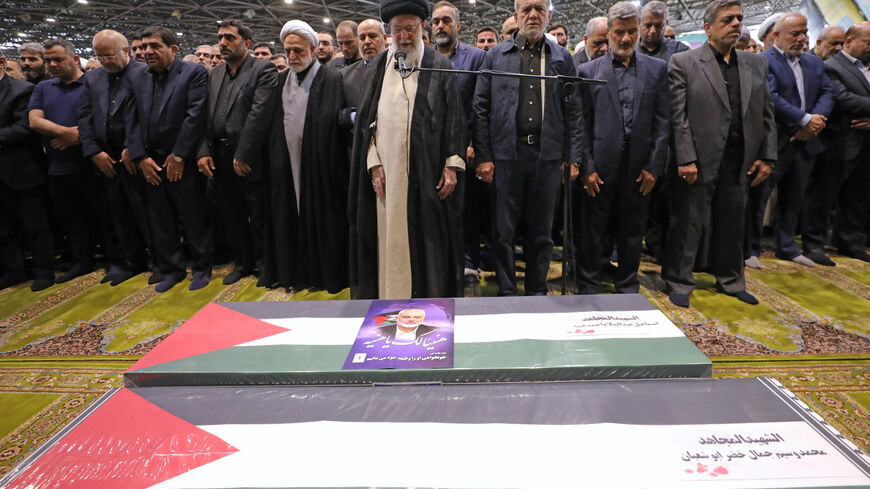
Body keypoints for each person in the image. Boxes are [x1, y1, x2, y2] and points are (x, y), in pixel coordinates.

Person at [662, 0, 776, 309]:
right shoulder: (684, 62)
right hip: (699, 157)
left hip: (740, 158)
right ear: (708, 28)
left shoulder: (756, 64)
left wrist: (767, 157)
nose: (737, 24)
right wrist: (685, 157)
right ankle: (679, 280)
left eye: (739, 18)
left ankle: (731, 280)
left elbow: (766, 113)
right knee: (688, 222)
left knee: (733, 221)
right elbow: (678, 116)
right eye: (728, 20)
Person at [349, 0, 466, 299]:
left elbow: (455, 118)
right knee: (390, 239)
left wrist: (452, 165)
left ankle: (429, 299)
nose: (403, 35)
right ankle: (392, 298)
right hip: (387, 177)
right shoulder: (377, 68)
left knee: (429, 242)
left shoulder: (440, 65)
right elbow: (367, 124)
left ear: (422, 28)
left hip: (428, 174)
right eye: (397, 29)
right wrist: (373, 162)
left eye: (409, 28)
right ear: (389, 31)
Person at [473, 0, 582, 296]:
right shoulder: (496, 56)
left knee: (542, 233)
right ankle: (508, 291)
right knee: (503, 232)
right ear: (516, 15)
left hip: (547, 158)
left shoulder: (562, 58)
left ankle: (536, 292)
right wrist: (484, 156)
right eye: (526, 9)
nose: (533, 14)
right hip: (506, 156)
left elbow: (574, 111)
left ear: (548, 14)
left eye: (539, 8)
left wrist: (572, 158)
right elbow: (480, 108)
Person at [577, 1, 670, 295]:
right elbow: (581, 125)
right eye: (619, 32)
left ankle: (627, 283)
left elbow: (663, 123)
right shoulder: (588, 71)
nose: (626, 38)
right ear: (610, 33)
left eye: (631, 31)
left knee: (633, 229)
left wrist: (655, 166)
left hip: (640, 167)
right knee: (594, 229)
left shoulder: (657, 70)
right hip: (601, 167)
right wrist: (587, 167)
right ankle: (589, 281)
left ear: (640, 31)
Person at [261, 20, 349, 292]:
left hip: (319, 167)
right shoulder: (280, 81)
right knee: (289, 215)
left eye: (298, 50)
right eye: (288, 50)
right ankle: (294, 273)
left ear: (312, 48)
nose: (291, 56)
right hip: (287, 162)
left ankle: (323, 275)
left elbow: (331, 123)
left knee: (321, 218)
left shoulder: (329, 78)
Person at [125, 26, 213, 293]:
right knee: (160, 220)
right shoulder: (138, 77)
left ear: (173, 50)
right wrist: (140, 157)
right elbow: (132, 120)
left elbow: (195, 116)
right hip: (151, 162)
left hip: (181, 160)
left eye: (154, 46)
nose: (147, 51)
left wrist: (179, 155)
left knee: (193, 216)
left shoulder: (193, 73)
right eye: (144, 47)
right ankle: (173, 270)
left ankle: (201, 268)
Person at [745, 13, 834, 269]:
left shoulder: (814, 63)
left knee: (794, 197)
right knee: (758, 199)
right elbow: (770, 97)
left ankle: (786, 247)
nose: (801, 38)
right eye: (795, 33)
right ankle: (751, 248)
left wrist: (816, 120)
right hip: (775, 142)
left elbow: (829, 91)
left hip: (806, 143)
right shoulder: (763, 61)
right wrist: (804, 119)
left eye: (804, 33)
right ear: (776, 36)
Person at [29, 39, 117, 284]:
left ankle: (114, 260)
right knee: (71, 218)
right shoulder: (43, 88)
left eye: (58, 59)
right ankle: (82, 261)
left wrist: (78, 137)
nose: (52, 64)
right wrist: (64, 132)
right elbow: (35, 121)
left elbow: (104, 117)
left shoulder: (95, 82)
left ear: (75, 59)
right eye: (48, 60)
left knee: (103, 216)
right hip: (59, 167)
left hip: (94, 164)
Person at [197, 19, 278, 286]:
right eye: (220, 37)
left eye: (229, 38)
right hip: (219, 156)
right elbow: (206, 117)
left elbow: (259, 115)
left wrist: (243, 155)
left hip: (249, 157)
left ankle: (266, 264)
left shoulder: (263, 70)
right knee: (231, 213)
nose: (222, 42)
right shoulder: (215, 73)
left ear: (246, 43)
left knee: (259, 213)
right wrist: (204, 150)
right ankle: (243, 263)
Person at [78, 30, 152, 286]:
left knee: (147, 212)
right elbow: (85, 117)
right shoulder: (93, 77)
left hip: (137, 158)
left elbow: (149, 115)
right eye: (99, 56)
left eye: (109, 55)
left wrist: (135, 148)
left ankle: (159, 260)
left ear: (126, 51)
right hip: (105, 159)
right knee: (116, 214)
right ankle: (130, 261)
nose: (105, 61)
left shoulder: (144, 73)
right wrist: (93, 151)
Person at [803, 22, 870, 264]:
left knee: (858, 197)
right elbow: (843, 99)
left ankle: (849, 242)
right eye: (867, 43)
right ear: (849, 42)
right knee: (824, 195)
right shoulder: (831, 67)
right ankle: (814, 243)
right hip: (838, 143)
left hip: (865, 144)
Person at [432, 1, 487, 285]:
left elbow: (480, 106)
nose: (440, 26)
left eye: (446, 21)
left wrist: (475, 144)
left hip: (465, 149)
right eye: (436, 21)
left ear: (458, 26)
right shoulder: (424, 59)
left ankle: (468, 262)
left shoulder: (476, 58)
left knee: (467, 209)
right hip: (431, 149)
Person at [637, 0, 689, 260]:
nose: (653, 30)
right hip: (636, 133)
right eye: (648, 25)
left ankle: (656, 243)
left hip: (668, 135)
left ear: (666, 24)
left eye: (658, 25)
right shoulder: (629, 50)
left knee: (663, 193)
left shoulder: (679, 53)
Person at [0, 49, 55, 291]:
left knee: (35, 225)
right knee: (3, 228)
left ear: (1, 62)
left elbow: (24, 128)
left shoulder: (22, 91)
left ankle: (44, 271)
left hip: (22, 171)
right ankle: (13, 271)